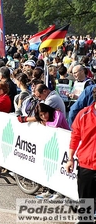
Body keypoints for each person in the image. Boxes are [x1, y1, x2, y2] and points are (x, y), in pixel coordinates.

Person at [65, 87, 96, 215]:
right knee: (86, 208)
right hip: (86, 165)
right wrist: (70, 159)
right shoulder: (84, 114)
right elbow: (75, 137)